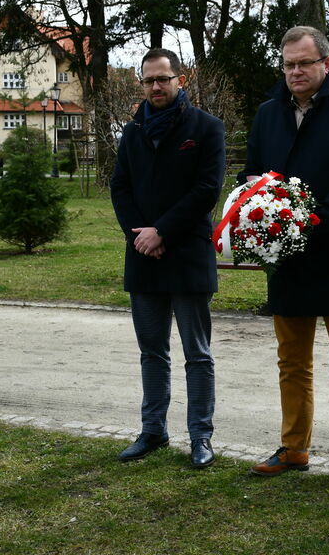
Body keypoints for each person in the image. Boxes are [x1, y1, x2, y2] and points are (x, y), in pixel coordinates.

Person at [239, 26, 329, 492]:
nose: (295, 72)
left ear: (326, 64)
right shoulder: (267, 114)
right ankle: (294, 445)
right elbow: (250, 173)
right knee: (291, 361)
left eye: (304, 63)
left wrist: (309, 223)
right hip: (287, 258)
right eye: (288, 64)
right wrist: (258, 205)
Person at [110, 48, 225, 469]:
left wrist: (163, 231)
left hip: (188, 254)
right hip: (143, 256)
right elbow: (120, 187)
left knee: (197, 353)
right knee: (152, 352)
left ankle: (201, 436)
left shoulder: (207, 128)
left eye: (163, 78)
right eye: (148, 80)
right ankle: (153, 430)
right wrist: (141, 235)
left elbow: (207, 189)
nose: (156, 87)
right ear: (141, 84)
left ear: (181, 79)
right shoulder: (132, 131)